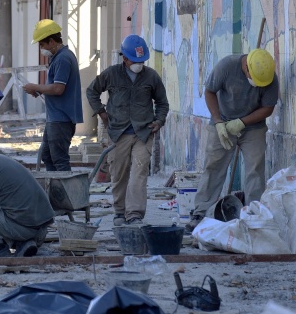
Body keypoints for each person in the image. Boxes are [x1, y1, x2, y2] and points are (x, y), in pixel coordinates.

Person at [186, 49, 279, 232]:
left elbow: (268, 108)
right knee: (214, 166)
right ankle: (200, 213)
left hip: (253, 126)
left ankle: (254, 215)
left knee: (255, 169)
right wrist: (219, 122)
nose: (256, 85)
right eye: (254, 79)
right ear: (246, 67)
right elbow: (210, 92)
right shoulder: (227, 66)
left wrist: (242, 122)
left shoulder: (269, 77)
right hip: (223, 122)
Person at [86, 35, 169, 226]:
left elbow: (162, 103)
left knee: (139, 173)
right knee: (119, 173)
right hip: (118, 132)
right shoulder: (111, 74)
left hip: (143, 133)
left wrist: (159, 121)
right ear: (124, 58)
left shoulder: (151, 77)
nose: (139, 64)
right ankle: (120, 212)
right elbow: (92, 91)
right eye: (135, 60)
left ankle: (134, 215)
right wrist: (101, 112)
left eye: (142, 61)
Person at [23, 19, 83, 172]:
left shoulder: (63, 59)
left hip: (61, 118)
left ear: (51, 41)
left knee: (59, 159)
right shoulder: (58, 57)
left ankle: (65, 193)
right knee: (48, 156)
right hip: (55, 117)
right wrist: (40, 90)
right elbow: (55, 87)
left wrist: (36, 86)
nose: (41, 49)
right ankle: (55, 189)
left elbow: (58, 89)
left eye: (42, 45)